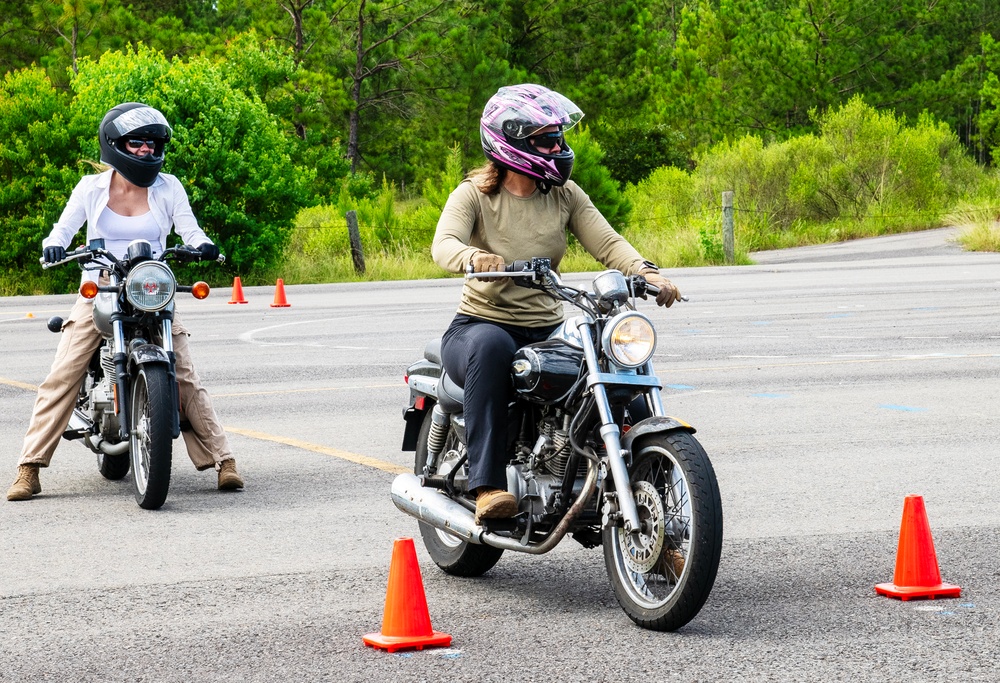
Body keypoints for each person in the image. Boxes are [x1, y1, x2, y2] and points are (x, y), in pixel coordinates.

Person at [431, 84, 681, 523]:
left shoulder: (564, 194)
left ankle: (656, 513)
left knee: (613, 368)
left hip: (546, 327)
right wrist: (474, 257)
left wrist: (647, 272)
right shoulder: (473, 194)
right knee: (491, 349)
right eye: (547, 139)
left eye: (559, 137)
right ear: (512, 143)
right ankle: (488, 485)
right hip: (480, 324)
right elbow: (443, 244)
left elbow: (607, 241)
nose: (558, 147)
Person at [6, 102, 244, 501]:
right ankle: (29, 467)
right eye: (137, 144)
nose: (147, 151)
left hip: (151, 284)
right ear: (115, 144)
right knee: (63, 373)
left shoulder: (169, 186)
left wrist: (201, 244)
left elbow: (190, 229)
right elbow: (61, 231)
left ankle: (225, 461)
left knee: (184, 372)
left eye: (153, 144)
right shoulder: (91, 188)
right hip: (101, 284)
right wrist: (53, 247)